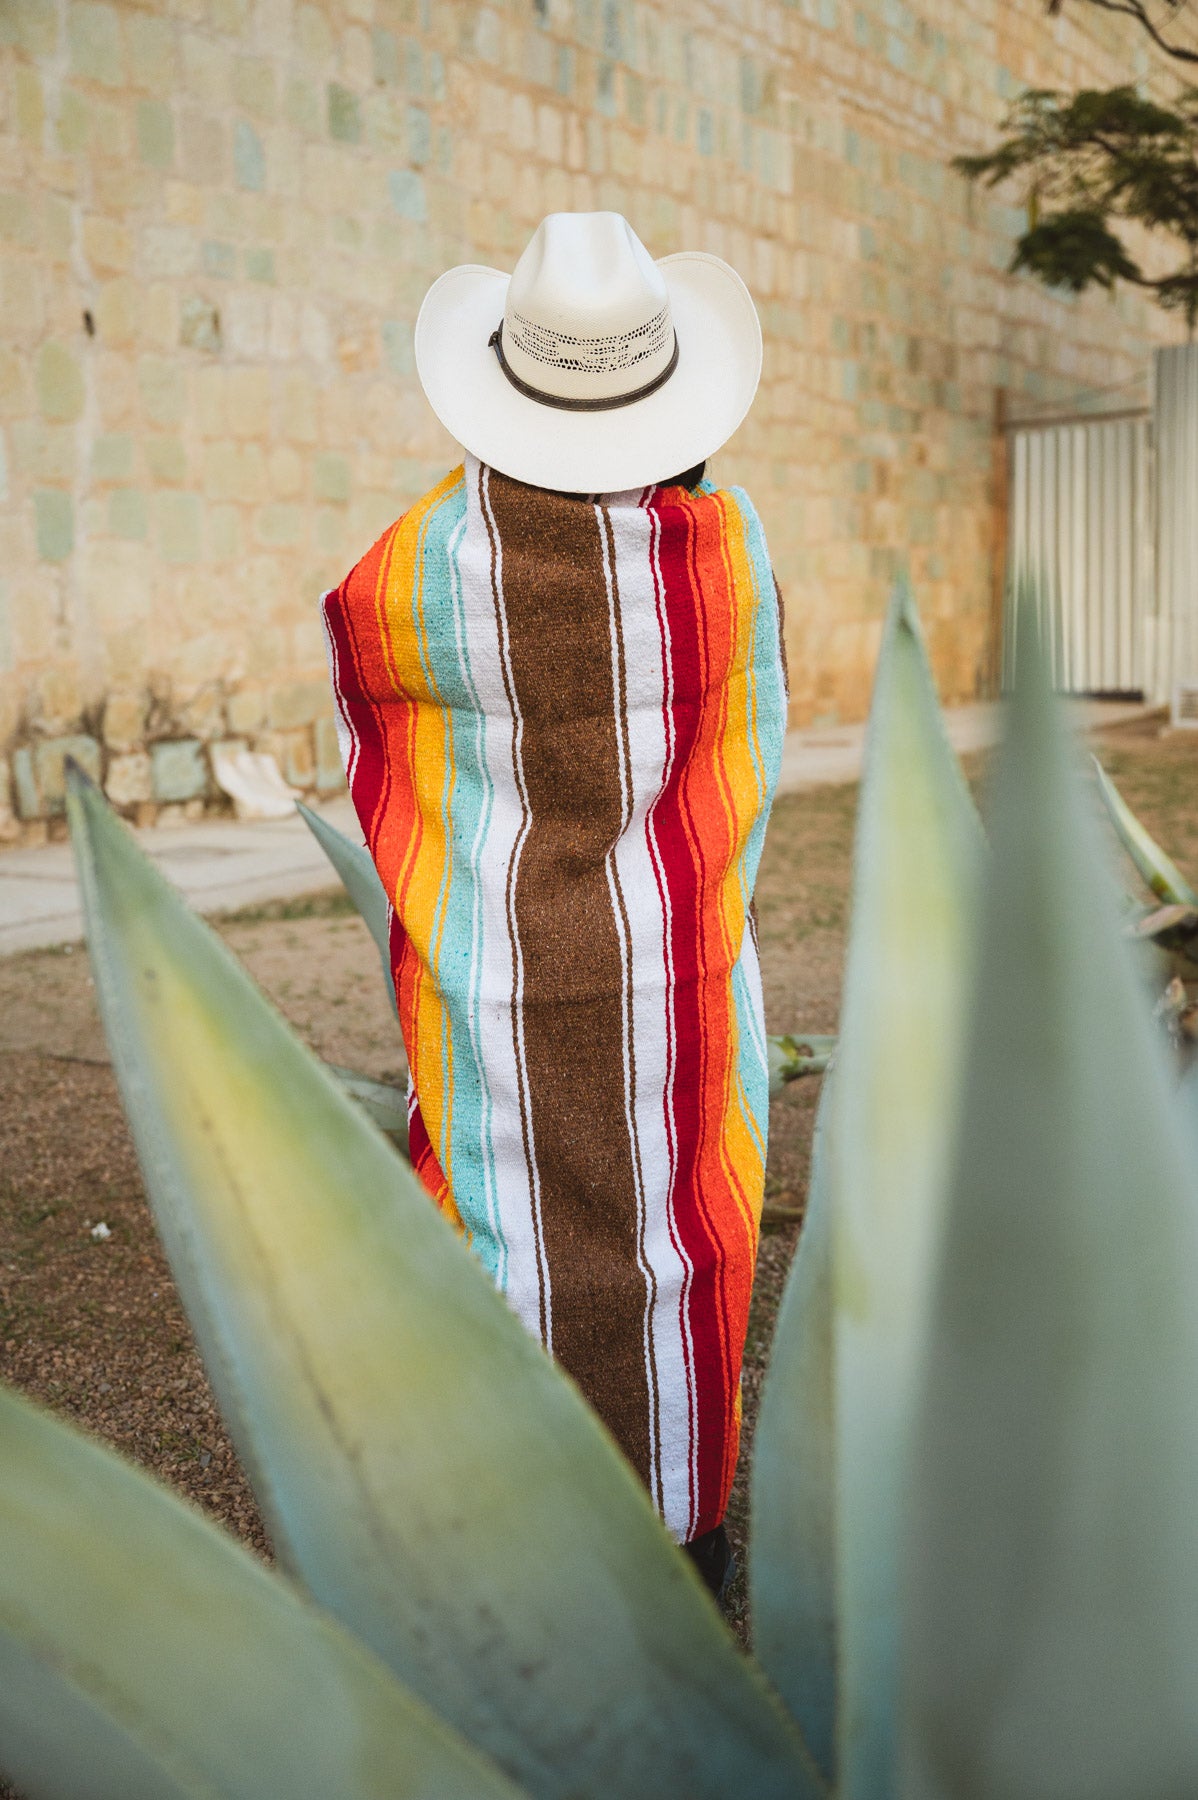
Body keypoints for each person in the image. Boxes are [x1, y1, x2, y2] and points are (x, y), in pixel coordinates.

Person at [321, 212, 787, 1598]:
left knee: (505, 1217)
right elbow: (737, 748)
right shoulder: (727, 556)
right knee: (676, 1238)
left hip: (496, 997)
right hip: (679, 983)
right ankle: (687, 1531)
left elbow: (377, 726)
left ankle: (516, 1533)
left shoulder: (408, 576)